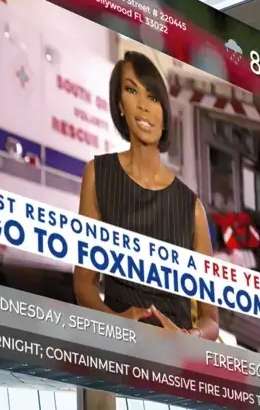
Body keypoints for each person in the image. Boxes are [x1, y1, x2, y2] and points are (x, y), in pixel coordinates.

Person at [73, 51, 220, 340]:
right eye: (131, 91)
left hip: (174, 362)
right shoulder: (98, 174)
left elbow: (210, 320)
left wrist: (188, 337)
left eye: (153, 97)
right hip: (116, 350)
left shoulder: (191, 208)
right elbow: (84, 284)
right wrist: (116, 323)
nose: (143, 106)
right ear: (120, 105)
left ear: (165, 114)